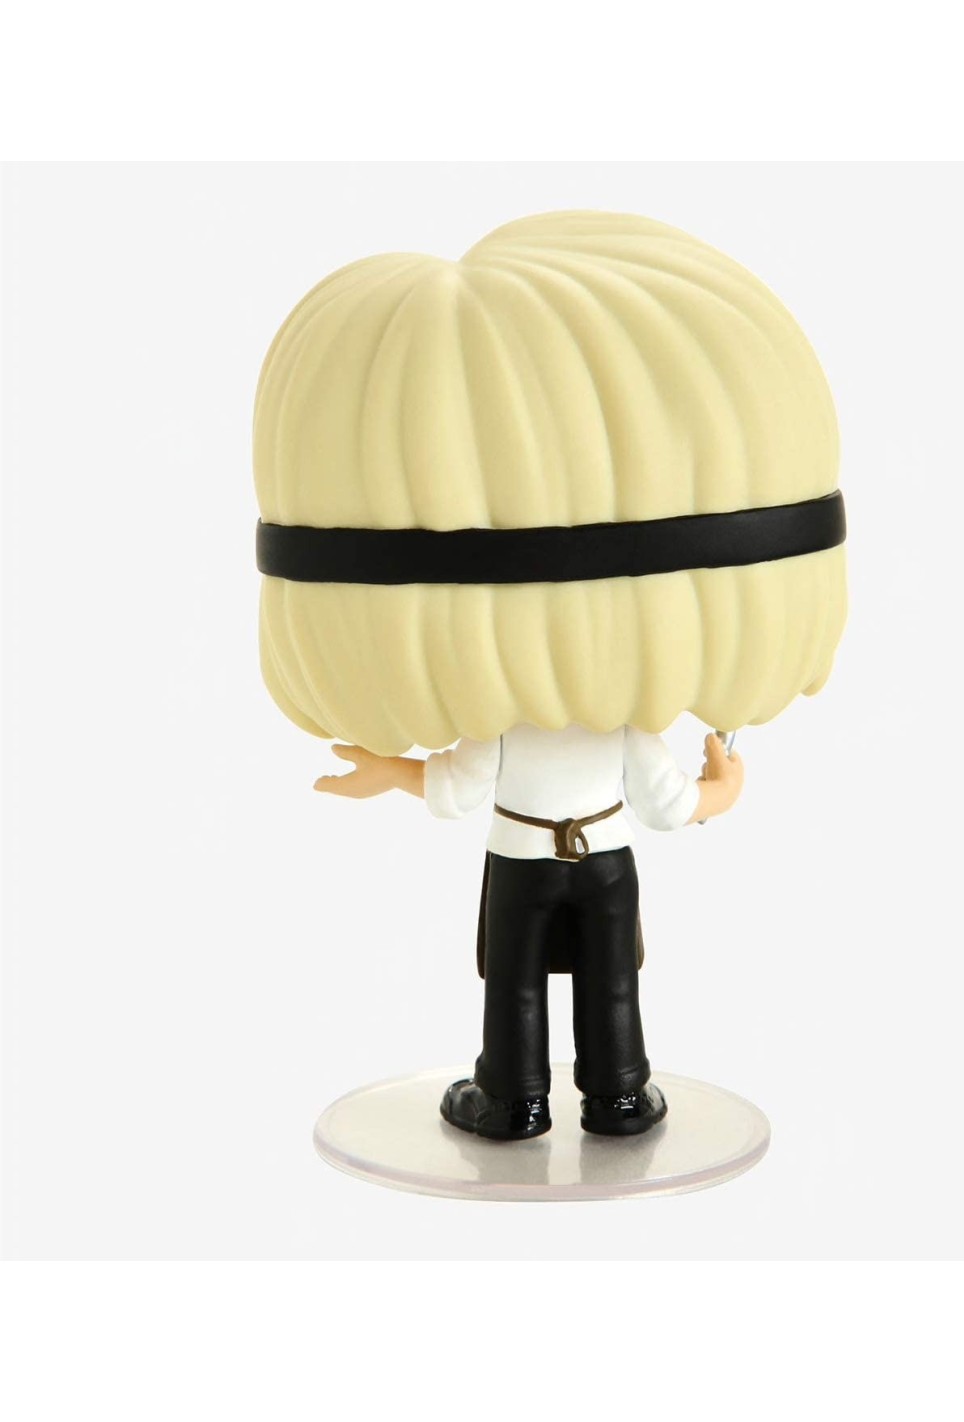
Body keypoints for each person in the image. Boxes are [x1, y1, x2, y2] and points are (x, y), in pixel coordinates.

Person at [254, 210, 847, 1141]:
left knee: (517, 987)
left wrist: (388, 772)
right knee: (610, 985)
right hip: (605, 857)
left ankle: (512, 1096)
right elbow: (668, 806)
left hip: (524, 856)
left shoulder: (502, 712)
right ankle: (619, 1094)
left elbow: (456, 789)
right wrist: (722, 790)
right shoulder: (625, 716)